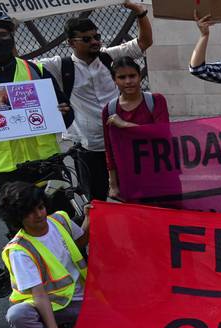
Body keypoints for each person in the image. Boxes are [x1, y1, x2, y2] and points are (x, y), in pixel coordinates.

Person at [34, 0, 151, 201]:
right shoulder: (59, 65)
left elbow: (144, 42)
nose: (95, 41)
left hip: (120, 141)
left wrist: (140, 14)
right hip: (88, 147)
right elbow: (21, 66)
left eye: (97, 37)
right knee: (96, 200)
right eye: (87, 39)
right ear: (71, 43)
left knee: (134, 194)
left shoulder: (108, 57)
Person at [0, 181, 91, 328]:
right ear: (17, 218)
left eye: (40, 207)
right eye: (30, 212)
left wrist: (90, 219)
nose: (39, 214)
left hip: (85, 297)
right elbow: (39, 295)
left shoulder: (60, 219)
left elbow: (78, 244)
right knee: (17, 315)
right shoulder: (19, 250)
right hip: (49, 305)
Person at [0, 11, 74, 201]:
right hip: (3, 171)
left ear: (12, 38)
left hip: (45, 165)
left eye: (2, 35)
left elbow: (67, 113)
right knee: (19, 227)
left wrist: (62, 113)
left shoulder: (36, 70)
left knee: (61, 219)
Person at [102, 57, 169, 199]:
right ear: (115, 80)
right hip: (129, 178)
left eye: (132, 76)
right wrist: (113, 184)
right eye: (122, 77)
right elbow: (109, 150)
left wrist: (125, 125)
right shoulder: (110, 109)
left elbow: (162, 133)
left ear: (139, 76)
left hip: (161, 174)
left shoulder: (156, 101)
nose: (128, 81)